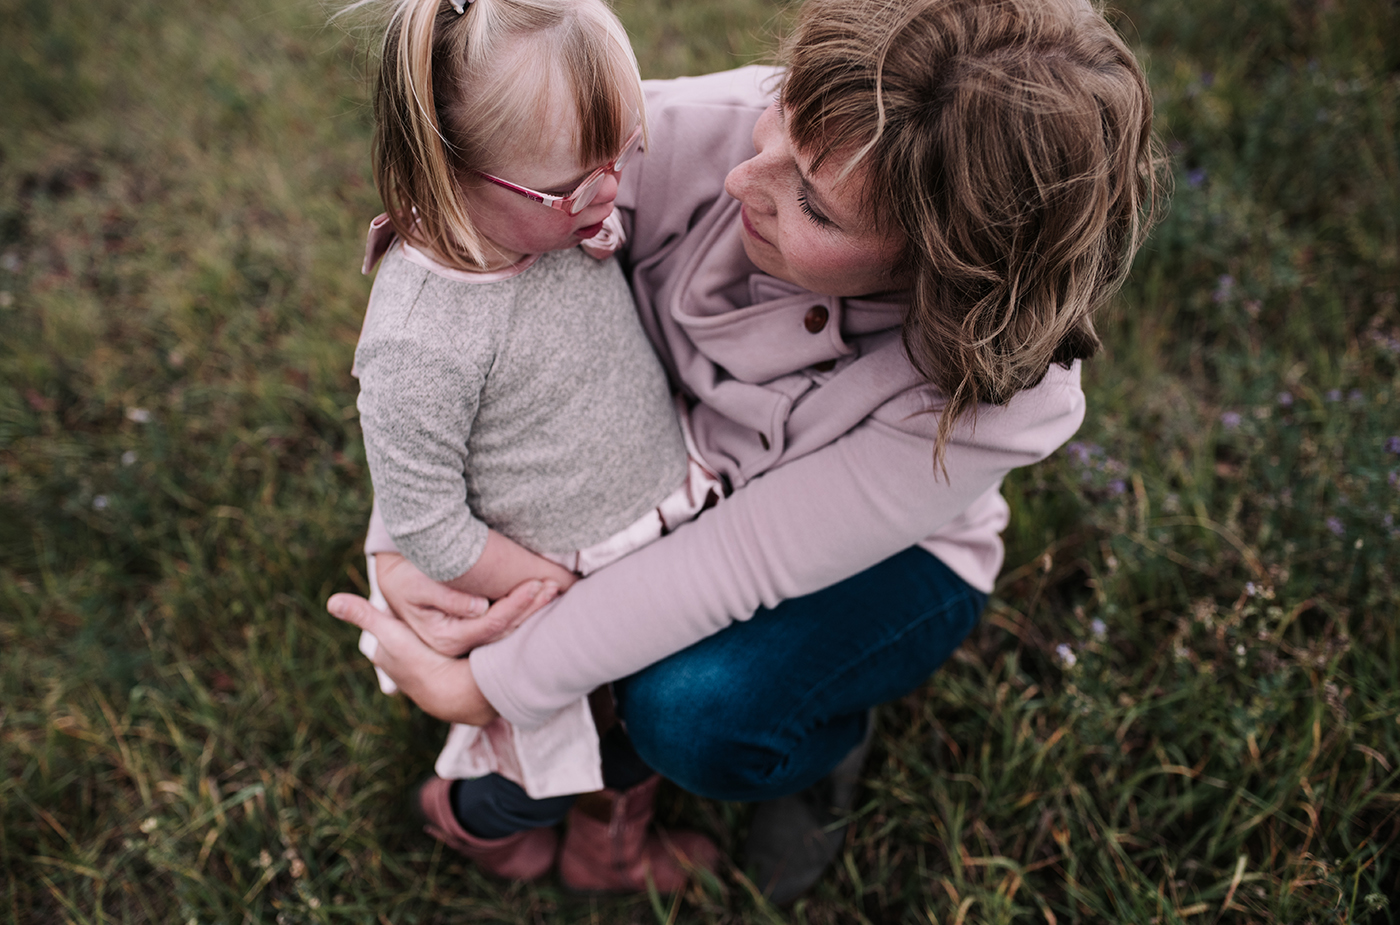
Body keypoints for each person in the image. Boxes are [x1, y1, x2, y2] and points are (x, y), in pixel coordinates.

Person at [330, 0, 1164, 903]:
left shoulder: (997, 397)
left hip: (873, 560)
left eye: (814, 201)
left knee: (696, 711)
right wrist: (405, 547)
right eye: (784, 120)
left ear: (944, 268)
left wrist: (483, 687)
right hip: (644, 472)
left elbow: (739, 562)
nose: (744, 181)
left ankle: (823, 733)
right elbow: (465, 280)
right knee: (602, 637)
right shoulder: (680, 134)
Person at [345, 0, 724, 891]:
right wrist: (540, 587)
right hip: (538, 570)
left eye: (619, 159)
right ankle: (474, 825)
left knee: (636, 720)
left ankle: (610, 848)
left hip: (645, 510)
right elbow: (427, 524)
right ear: (449, 171)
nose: (610, 194)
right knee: (545, 750)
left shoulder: (545, 217)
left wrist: (574, 193)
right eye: (573, 186)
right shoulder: (417, 341)